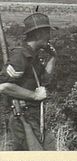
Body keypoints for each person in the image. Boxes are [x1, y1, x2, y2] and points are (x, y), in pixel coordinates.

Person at [0, 12, 57, 150]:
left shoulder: (32, 55)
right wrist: (34, 96)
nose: (50, 37)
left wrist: (53, 57)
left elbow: (44, 80)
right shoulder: (20, 56)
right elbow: (3, 86)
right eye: (47, 32)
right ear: (38, 34)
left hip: (33, 117)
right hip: (22, 118)